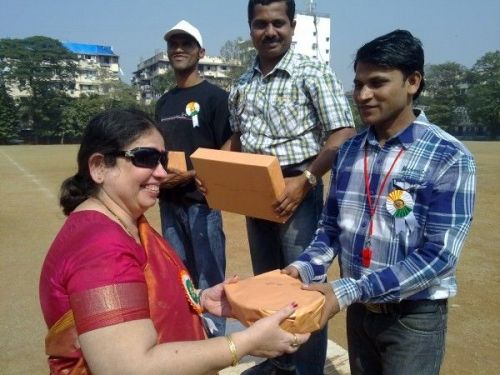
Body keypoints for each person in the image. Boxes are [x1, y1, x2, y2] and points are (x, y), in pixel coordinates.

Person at [38, 109, 310, 374]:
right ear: (99, 167)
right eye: (145, 158)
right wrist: (245, 343)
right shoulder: (99, 248)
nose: (161, 172)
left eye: (162, 160)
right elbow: (128, 367)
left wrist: (199, 300)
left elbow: (143, 294)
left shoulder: (125, 221)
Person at [284, 30, 476, 375]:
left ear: (413, 82)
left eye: (377, 83)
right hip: (359, 313)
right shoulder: (348, 152)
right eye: (358, 84)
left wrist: (351, 289)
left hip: (413, 319)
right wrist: (303, 267)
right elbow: (330, 230)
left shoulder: (447, 156)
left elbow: (439, 256)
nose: (363, 95)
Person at [223, 0, 356, 373]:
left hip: (300, 183)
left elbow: (343, 133)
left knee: (303, 285)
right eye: (260, 24)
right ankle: (281, 365)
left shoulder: (312, 73)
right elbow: (239, 136)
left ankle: (308, 369)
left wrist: (307, 180)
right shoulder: (242, 83)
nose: (270, 32)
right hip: (256, 189)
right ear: (250, 28)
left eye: (278, 23)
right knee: (269, 284)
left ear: (293, 26)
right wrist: (213, 162)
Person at [155, 20, 232, 336]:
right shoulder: (163, 101)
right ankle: (191, 338)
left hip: (202, 202)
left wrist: (192, 174)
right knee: (180, 275)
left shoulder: (215, 97)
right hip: (169, 203)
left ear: (201, 52)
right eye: (173, 44)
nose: (178, 49)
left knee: (209, 278)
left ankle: (214, 345)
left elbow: (229, 144)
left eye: (186, 44)